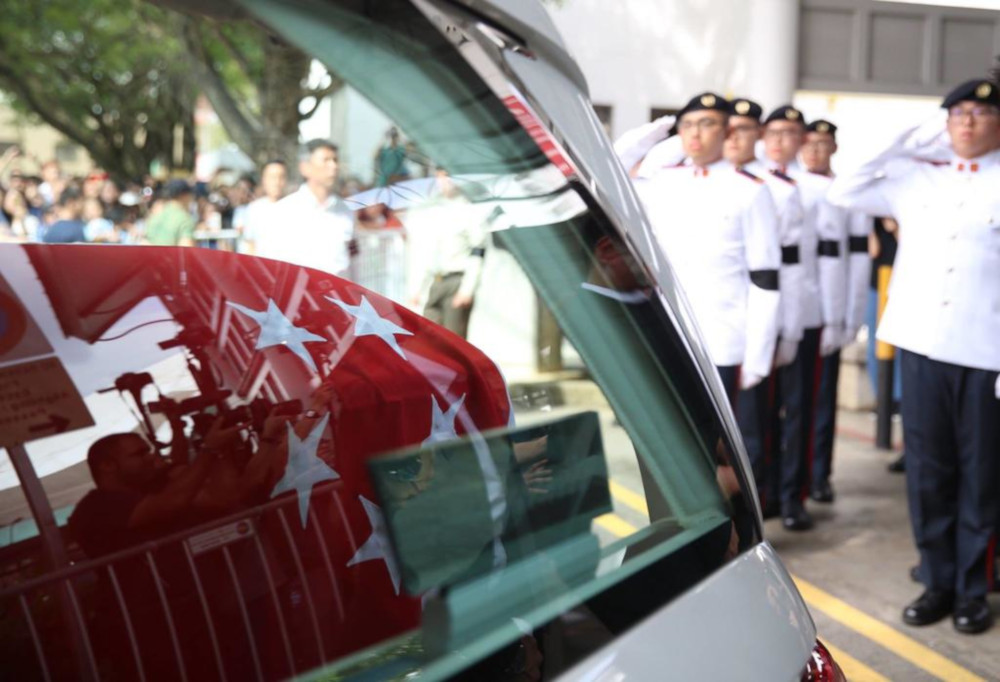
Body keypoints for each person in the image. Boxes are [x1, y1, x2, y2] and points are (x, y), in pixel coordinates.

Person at [828, 77, 1000, 635]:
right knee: (928, 470)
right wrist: (911, 132)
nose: (967, 122)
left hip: (987, 353)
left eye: (980, 112)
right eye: (957, 114)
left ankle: (974, 588)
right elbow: (845, 187)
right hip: (923, 344)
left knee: (982, 475)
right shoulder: (914, 175)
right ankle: (937, 579)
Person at [621, 92, 782, 406]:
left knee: (722, 449)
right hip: (670, 332)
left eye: (707, 124)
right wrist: (654, 135)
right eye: (688, 125)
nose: (695, 133)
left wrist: (758, 356)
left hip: (722, 340)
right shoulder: (663, 183)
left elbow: (765, 277)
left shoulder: (750, 190)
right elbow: (609, 174)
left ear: (728, 132)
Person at [761, 105, 848, 530]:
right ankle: (768, 490)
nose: (781, 141)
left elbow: (832, 260)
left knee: (800, 409)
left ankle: (794, 494)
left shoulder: (817, 190)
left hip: (808, 311)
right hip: (764, 314)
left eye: (790, 133)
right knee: (762, 412)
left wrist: (835, 318)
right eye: (774, 133)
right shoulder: (754, 181)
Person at [721, 98, 805, 518]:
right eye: (728, 129)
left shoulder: (773, 188)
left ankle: (767, 501)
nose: (734, 138)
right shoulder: (697, 182)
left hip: (756, 324)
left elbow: (783, 271)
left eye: (744, 130)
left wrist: (786, 328)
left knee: (762, 422)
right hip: (713, 326)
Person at [799, 119, 870, 504]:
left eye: (823, 144)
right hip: (796, 305)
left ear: (834, 149)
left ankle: (819, 473)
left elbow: (858, 259)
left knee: (822, 396)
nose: (814, 151)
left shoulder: (847, 193)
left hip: (831, 304)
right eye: (809, 144)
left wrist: (849, 314)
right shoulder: (788, 187)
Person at [404, 169, 488, 338]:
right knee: (430, 340)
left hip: (456, 280)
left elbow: (478, 251)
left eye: (450, 176)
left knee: (454, 340)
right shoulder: (431, 207)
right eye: (441, 176)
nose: (446, 181)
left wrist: (467, 289)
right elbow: (421, 251)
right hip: (434, 281)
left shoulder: (469, 209)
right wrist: (415, 289)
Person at [258, 139, 356, 277]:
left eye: (335, 160)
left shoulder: (345, 211)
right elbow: (268, 264)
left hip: (338, 295)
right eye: (326, 160)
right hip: (299, 294)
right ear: (305, 167)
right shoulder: (283, 212)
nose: (333, 166)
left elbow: (352, 259)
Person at [241, 159, 288, 255]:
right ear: (264, 180)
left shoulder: (296, 208)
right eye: (272, 177)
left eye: (281, 177)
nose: (277, 182)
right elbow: (250, 243)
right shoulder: (254, 209)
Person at [144, 179, 196, 246]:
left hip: (151, 256)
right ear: (184, 195)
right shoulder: (184, 219)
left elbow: (145, 242)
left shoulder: (155, 216)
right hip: (171, 256)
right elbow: (186, 250)